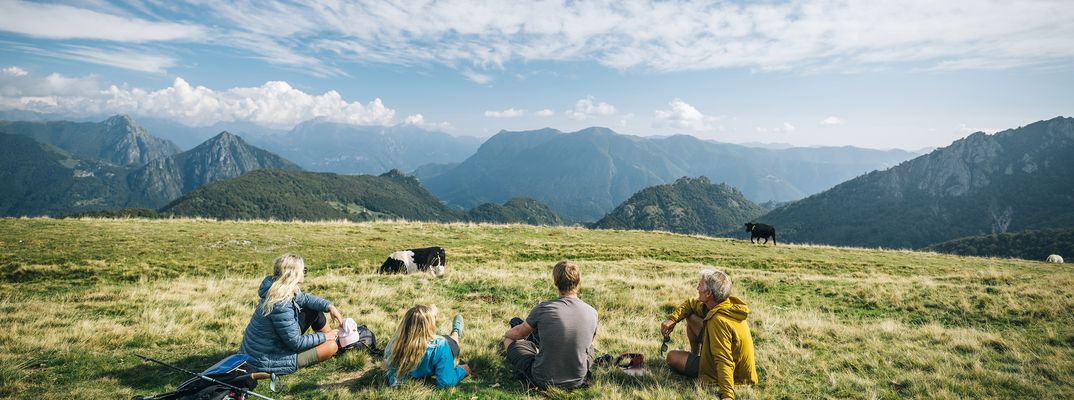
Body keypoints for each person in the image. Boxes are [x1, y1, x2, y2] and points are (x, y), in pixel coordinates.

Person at [239, 253, 344, 375]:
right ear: (293, 274)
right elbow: (296, 343)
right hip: (266, 360)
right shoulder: (280, 303)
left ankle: (334, 340)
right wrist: (325, 337)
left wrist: (329, 306)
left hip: (263, 349)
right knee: (331, 347)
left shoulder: (279, 288)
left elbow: (305, 299)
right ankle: (335, 344)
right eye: (303, 270)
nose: (304, 273)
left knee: (312, 309)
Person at [661, 268, 757, 400]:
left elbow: (724, 359)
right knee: (691, 316)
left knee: (672, 357)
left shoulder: (718, 320)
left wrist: (728, 395)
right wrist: (672, 319)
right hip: (736, 367)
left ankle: (699, 366)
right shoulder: (721, 305)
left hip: (735, 375)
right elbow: (690, 303)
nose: (697, 288)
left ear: (708, 294)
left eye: (700, 285)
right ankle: (695, 357)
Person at [502, 261, 598, 391]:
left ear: (555, 281)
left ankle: (540, 355)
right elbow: (589, 342)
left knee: (510, 339)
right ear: (578, 281)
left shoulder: (543, 308)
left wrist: (506, 334)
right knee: (591, 347)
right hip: (577, 380)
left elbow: (519, 334)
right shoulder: (592, 312)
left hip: (542, 380)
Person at [384, 305, 470, 388]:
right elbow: (446, 382)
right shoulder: (396, 343)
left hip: (442, 344)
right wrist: (463, 370)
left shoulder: (396, 342)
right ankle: (432, 316)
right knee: (449, 341)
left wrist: (462, 370)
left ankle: (456, 331)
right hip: (432, 341)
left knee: (453, 341)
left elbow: (392, 375)